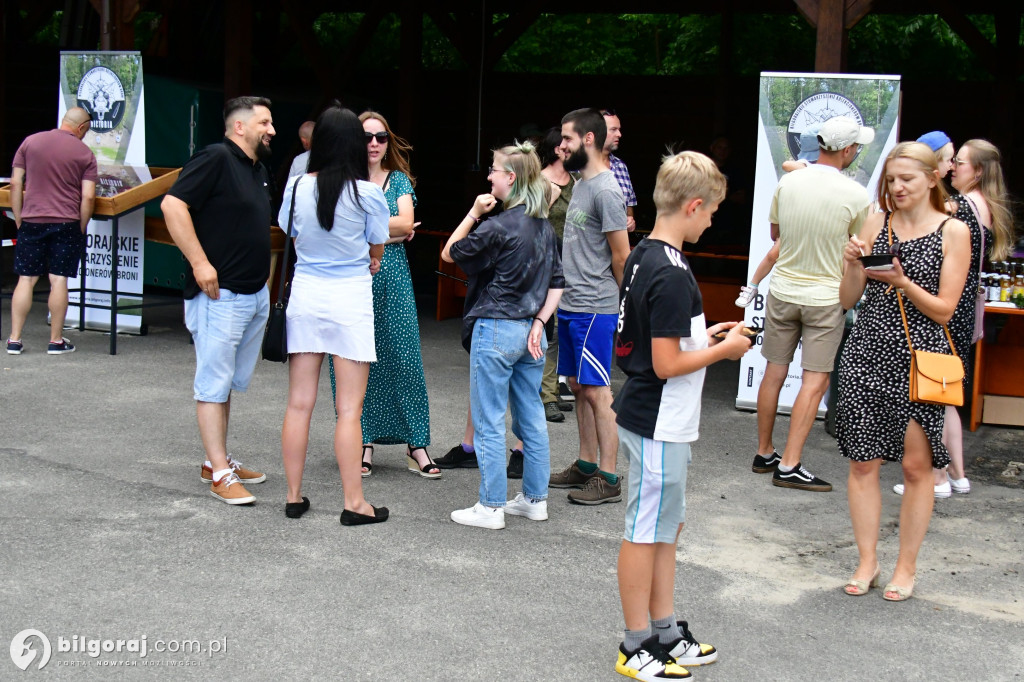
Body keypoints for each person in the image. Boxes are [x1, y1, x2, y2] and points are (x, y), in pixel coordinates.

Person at [614, 151, 748, 681]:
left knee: (665, 527)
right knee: (645, 529)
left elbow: (656, 339)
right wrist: (725, 350)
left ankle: (664, 631)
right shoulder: (671, 273)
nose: (713, 219)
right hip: (657, 419)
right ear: (693, 206)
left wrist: (706, 335)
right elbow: (667, 362)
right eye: (712, 210)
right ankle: (635, 642)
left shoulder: (647, 254)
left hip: (657, 416)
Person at [837, 141, 970, 601]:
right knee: (862, 463)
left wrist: (902, 282)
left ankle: (906, 567)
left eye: (907, 180)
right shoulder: (878, 222)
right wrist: (851, 264)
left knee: (917, 467)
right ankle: (867, 560)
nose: (897, 188)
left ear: (933, 178)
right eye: (891, 180)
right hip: (868, 350)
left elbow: (945, 310)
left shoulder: (954, 231)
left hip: (920, 357)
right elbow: (848, 299)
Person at [442, 141, 564, 530]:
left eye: (494, 170)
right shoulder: (544, 226)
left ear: (510, 178)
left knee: (489, 419)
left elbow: (450, 253)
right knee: (531, 417)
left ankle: (491, 505)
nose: (489, 175)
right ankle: (534, 499)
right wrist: (541, 323)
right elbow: (558, 283)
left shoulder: (496, 226)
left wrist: (474, 212)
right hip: (532, 331)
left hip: (495, 327)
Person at [278, 105, 390, 525]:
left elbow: (292, 234)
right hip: (350, 302)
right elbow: (376, 249)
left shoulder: (294, 188)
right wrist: (367, 257)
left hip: (305, 297)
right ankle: (354, 502)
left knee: (299, 404)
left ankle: (293, 495)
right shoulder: (368, 193)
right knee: (349, 410)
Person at [161, 96, 276, 505]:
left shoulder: (257, 168)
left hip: (250, 294)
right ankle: (220, 476)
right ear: (239, 127)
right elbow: (172, 205)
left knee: (226, 383)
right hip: (218, 295)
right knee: (212, 384)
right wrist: (199, 262)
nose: (272, 130)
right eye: (265, 122)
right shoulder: (215, 157)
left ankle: (218, 461)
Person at [753, 116, 873, 493]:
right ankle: (789, 464)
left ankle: (765, 452)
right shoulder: (856, 194)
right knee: (815, 379)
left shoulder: (789, 181)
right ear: (849, 150)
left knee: (774, 370)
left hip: (784, 289)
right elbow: (860, 247)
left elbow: (775, 234)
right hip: (825, 297)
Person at [893, 137, 1015, 499]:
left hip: (945, 310)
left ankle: (939, 477)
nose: (951, 168)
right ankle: (957, 474)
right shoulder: (985, 205)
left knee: (933, 392)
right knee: (945, 393)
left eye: (958, 162)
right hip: (961, 310)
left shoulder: (958, 206)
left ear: (976, 171)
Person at [327, 111, 438, 479]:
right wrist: (387, 231)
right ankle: (364, 440)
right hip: (352, 280)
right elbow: (396, 226)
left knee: (405, 359)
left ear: (389, 142)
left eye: (381, 137)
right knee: (357, 362)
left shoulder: (399, 180)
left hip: (392, 279)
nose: (373, 143)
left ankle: (416, 443)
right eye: (366, 136)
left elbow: (406, 222)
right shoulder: (343, 180)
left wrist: (365, 228)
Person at [550, 107, 630, 505]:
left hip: (595, 307)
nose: (560, 145)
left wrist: (625, 311)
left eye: (566, 138)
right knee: (578, 386)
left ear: (588, 139)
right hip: (571, 303)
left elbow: (621, 257)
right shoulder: (581, 183)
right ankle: (585, 464)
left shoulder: (606, 190)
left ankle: (610, 477)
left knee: (598, 391)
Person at [6, 107, 97, 356]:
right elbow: (88, 197)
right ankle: (55, 341)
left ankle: (14, 340)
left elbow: (15, 183)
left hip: (32, 220)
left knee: (26, 279)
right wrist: (81, 224)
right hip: (67, 221)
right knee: (59, 279)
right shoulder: (85, 154)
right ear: (81, 128)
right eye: (86, 131)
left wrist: (19, 218)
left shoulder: (30, 142)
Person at [602, 109, 637, 232]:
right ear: (597, 131)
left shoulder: (621, 166)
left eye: (619, 129)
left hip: (617, 247)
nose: (619, 134)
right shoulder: (580, 167)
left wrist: (630, 220)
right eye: (613, 129)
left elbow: (629, 203)